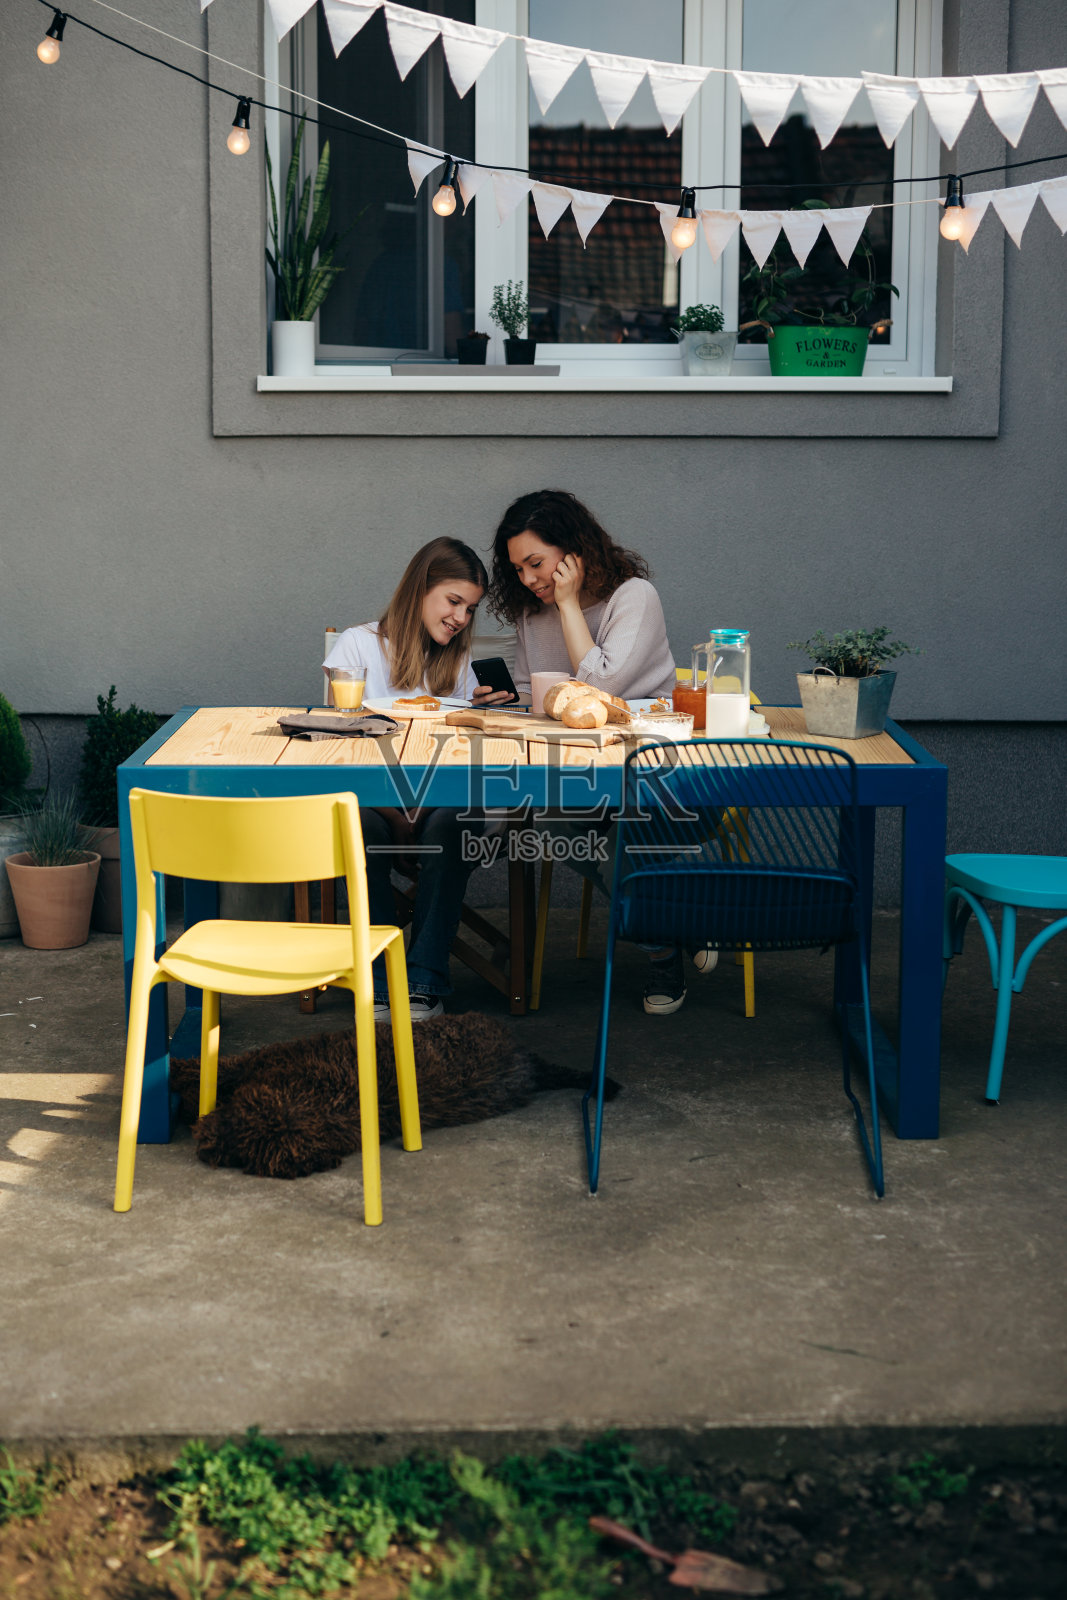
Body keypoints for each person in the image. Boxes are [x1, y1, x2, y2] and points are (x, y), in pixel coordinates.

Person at [480, 488, 715, 1016]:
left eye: (536, 563)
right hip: (581, 771)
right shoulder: (528, 613)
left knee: (615, 833)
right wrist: (505, 699)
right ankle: (672, 932)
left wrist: (568, 605)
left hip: (661, 778)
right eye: (517, 569)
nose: (529, 580)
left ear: (574, 551)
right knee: (551, 822)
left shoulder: (634, 597)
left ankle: (662, 946)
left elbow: (605, 682)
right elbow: (532, 692)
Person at [324, 537, 487, 1021]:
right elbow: (343, 748)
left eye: (470, 609)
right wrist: (396, 815)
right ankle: (377, 979)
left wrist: (484, 712)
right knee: (360, 828)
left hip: (441, 798)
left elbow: (460, 757)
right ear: (420, 588)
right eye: (453, 601)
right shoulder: (357, 646)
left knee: (454, 825)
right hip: (372, 800)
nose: (460, 618)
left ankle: (423, 979)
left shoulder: (458, 662)